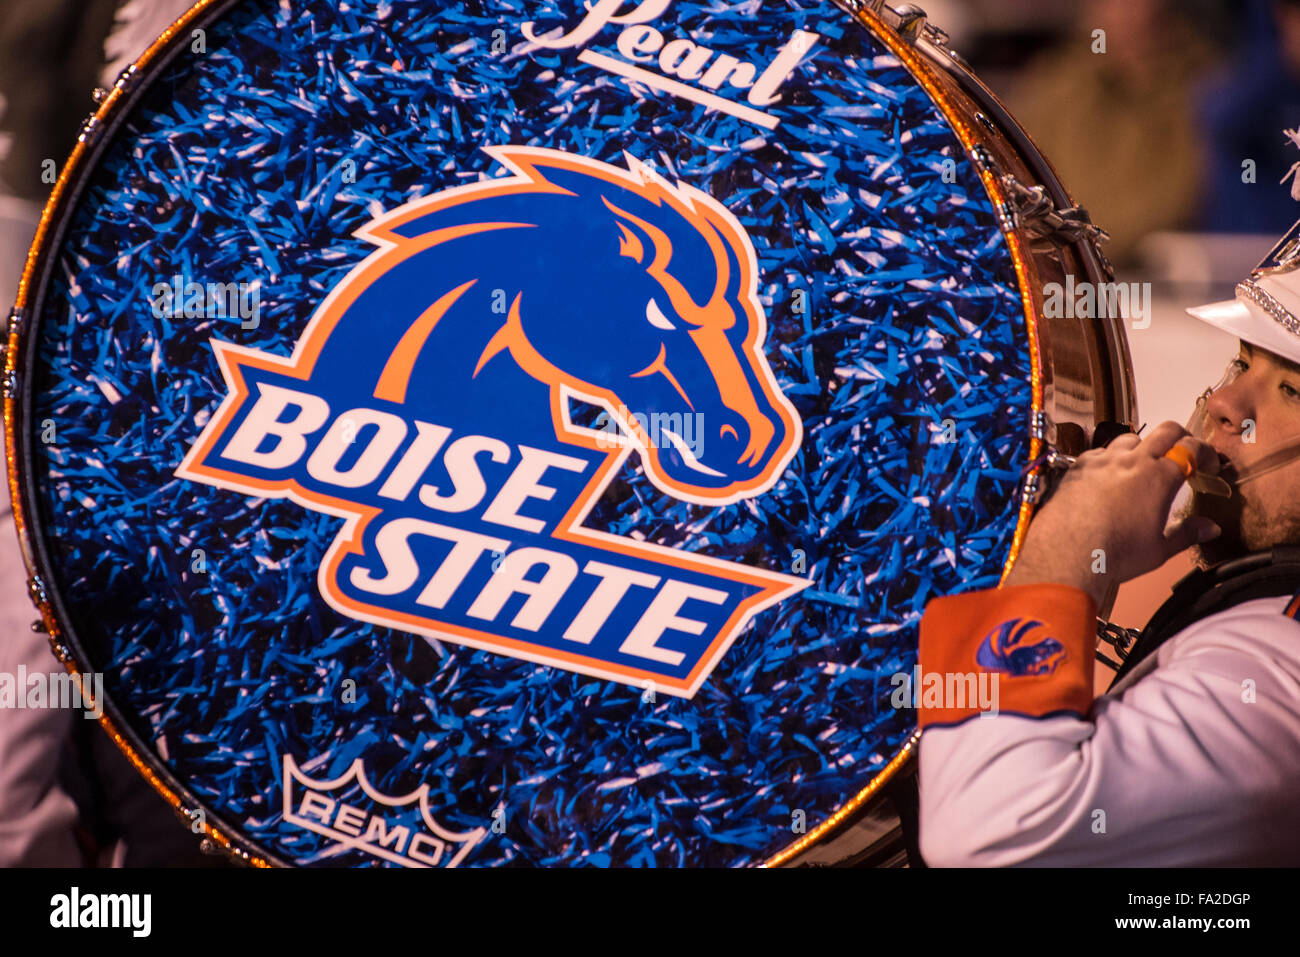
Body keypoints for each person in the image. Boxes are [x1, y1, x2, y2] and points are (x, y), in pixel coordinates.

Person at [916, 221, 1300, 866]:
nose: (1227, 402)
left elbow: (983, 834)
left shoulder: (1275, 666)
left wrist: (1068, 547)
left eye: (1291, 389)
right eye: (1241, 360)